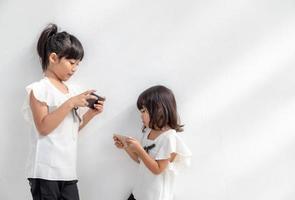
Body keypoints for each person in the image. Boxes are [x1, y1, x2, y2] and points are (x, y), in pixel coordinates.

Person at [22, 23, 105, 200]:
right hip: (45, 171)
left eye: (78, 64)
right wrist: (70, 103)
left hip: (67, 170)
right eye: (71, 62)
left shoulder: (71, 91)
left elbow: (71, 129)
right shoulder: (39, 89)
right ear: (53, 58)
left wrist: (91, 113)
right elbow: (43, 127)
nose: (75, 68)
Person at [113, 85, 192, 200]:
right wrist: (126, 146)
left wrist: (139, 149)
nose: (141, 115)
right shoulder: (148, 132)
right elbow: (140, 160)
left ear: (159, 109)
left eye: (143, 111)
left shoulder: (169, 138)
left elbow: (158, 169)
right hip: (140, 193)